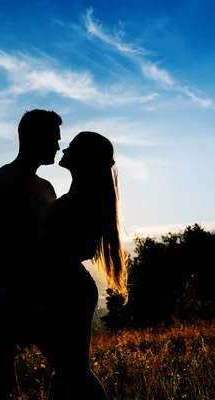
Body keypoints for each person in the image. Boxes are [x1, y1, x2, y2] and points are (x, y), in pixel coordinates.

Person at [0, 109, 62, 399]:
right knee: (2, 378)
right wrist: (29, 245)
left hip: (38, 296)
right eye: (53, 139)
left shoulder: (48, 188)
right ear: (31, 138)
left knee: (66, 364)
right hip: (0, 296)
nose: (57, 146)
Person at [35, 131, 129, 399]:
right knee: (69, 371)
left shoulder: (76, 203)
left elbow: (55, 247)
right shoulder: (83, 199)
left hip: (66, 289)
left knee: (71, 370)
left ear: (84, 159)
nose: (64, 150)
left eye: (72, 147)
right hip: (69, 287)